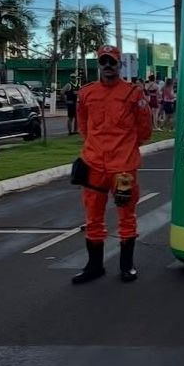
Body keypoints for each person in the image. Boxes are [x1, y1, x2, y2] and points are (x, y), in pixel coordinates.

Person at [72, 45, 152, 284]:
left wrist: (125, 148)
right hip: (94, 166)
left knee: (126, 215)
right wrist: (95, 148)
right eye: (103, 61)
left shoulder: (133, 93)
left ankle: (127, 266)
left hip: (123, 169)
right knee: (93, 217)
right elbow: (83, 126)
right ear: (99, 64)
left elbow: (144, 129)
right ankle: (94, 266)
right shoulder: (86, 93)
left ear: (119, 64)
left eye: (112, 62)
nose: (108, 66)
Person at [62, 71, 82, 135]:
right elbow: (62, 92)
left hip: (77, 104)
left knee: (77, 118)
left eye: (74, 77)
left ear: (76, 78)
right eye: (72, 77)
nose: (73, 78)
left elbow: (81, 93)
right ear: (70, 78)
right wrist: (65, 100)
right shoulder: (69, 85)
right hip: (70, 103)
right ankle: (70, 131)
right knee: (70, 117)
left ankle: (75, 130)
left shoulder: (78, 85)